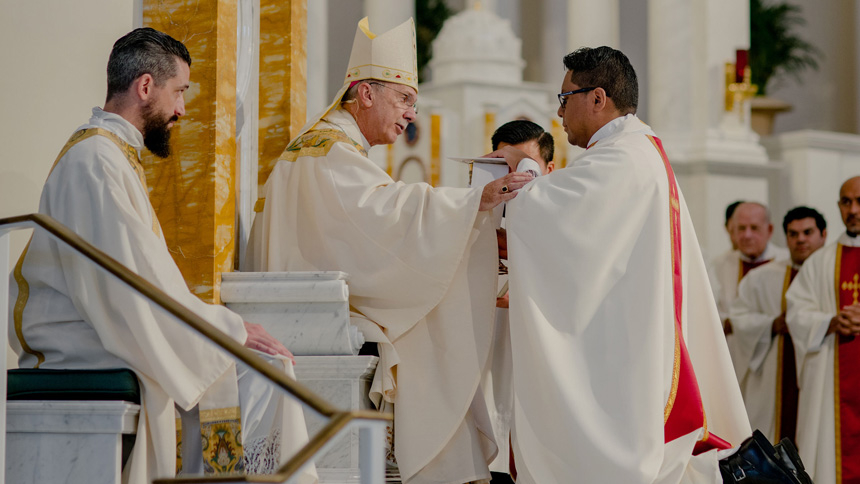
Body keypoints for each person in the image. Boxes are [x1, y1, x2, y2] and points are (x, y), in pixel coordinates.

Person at [8, 28, 314, 484]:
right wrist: (228, 328)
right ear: (146, 87)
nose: (182, 110)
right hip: (81, 343)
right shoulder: (96, 161)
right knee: (262, 369)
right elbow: (132, 285)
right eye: (180, 92)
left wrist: (220, 328)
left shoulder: (109, 156)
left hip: (99, 330)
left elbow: (138, 280)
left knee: (261, 367)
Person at [245, 17, 532, 484]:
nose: (411, 114)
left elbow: (377, 224)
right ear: (365, 94)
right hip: (312, 324)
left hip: (313, 314)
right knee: (427, 322)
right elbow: (386, 216)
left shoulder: (325, 148)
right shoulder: (330, 152)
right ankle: (448, 469)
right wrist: (474, 201)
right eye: (404, 99)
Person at [489, 46, 750, 483]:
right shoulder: (635, 151)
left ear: (598, 98)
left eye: (564, 98)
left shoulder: (623, 158)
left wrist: (525, 174)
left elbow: (551, 218)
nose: (559, 113)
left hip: (630, 361)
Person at [481, 120, 554, 484]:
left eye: (525, 168)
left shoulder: (561, 222)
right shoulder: (472, 212)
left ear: (548, 171)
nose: (513, 179)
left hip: (534, 357)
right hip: (483, 353)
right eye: (504, 168)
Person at [730, 206, 827, 444]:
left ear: (823, 235)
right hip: (772, 379)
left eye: (807, 232)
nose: (800, 239)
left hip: (818, 374)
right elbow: (738, 318)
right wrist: (771, 325)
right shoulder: (761, 277)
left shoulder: (831, 277)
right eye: (793, 234)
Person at [786, 176, 860, 483]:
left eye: (859, 201)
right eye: (846, 202)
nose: (853, 209)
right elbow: (796, 312)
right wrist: (830, 321)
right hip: (832, 384)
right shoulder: (820, 262)